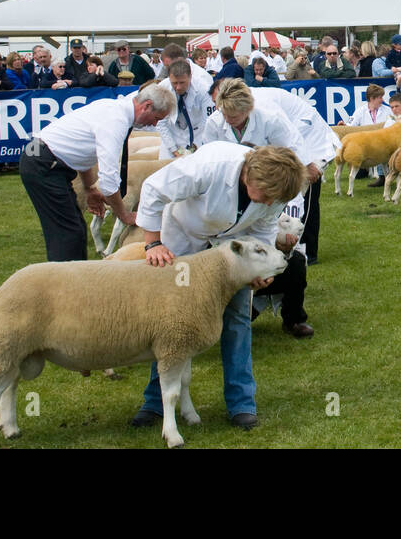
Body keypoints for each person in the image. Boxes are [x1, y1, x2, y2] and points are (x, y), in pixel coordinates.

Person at [129, 142, 310, 433]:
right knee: (172, 323)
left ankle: (241, 404)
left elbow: (264, 227)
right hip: (184, 238)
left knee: (238, 317)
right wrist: (153, 242)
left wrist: (258, 271)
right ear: (249, 177)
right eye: (264, 195)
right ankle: (154, 401)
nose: (267, 203)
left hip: (232, 251)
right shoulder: (209, 167)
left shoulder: (275, 191)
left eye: (273, 200)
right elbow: (153, 188)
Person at [21, 82, 175, 262]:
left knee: (75, 229)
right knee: (66, 233)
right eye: (156, 118)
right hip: (43, 163)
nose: (155, 124)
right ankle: (63, 284)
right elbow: (109, 180)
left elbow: (85, 153)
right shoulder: (115, 120)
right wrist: (124, 214)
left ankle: (75, 279)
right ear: (146, 106)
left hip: (46, 161)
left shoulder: (114, 111)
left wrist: (89, 188)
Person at [250, 86, 340, 265]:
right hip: (292, 143)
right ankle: (283, 243)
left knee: (307, 195)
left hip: (309, 139)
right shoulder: (248, 105)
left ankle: (307, 249)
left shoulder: (263, 105)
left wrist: (307, 164)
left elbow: (291, 133)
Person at [156, 60, 213, 159]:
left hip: (197, 136)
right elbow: (160, 122)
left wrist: (194, 147)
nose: (178, 87)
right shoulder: (162, 88)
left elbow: (208, 121)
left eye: (182, 82)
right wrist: (174, 149)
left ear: (190, 77)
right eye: (174, 83)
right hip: (172, 136)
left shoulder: (204, 89)